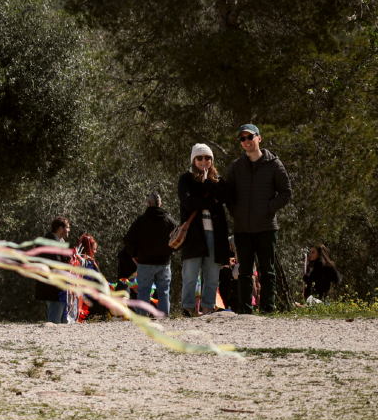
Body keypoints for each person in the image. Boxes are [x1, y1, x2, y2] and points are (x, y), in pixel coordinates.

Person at [223, 124, 292, 314]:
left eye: (249, 137)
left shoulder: (274, 164)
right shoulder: (236, 167)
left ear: (259, 138)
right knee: (244, 271)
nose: (246, 141)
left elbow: (286, 193)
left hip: (266, 227)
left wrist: (266, 209)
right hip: (242, 229)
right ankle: (245, 311)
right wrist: (236, 213)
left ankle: (268, 309)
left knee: (266, 271)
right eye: (242, 139)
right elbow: (229, 194)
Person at [179, 143, 231, 317]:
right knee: (190, 274)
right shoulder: (185, 179)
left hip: (216, 235)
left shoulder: (217, 180)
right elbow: (188, 202)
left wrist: (208, 182)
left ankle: (208, 308)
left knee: (212, 275)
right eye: (200, 157)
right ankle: (188, 309)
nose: (204, 161)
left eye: (207, 157)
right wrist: (211, 203)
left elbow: (226, 196)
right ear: (194, 159)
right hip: (194, 235)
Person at [124, 192, 177, 316]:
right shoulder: (169, 221)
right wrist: (170, 252)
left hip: (145, 262)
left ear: (148, 203)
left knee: (143, 291)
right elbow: (178, 240)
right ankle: (164, 318)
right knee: (164, 292)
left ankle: (143, 318)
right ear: (161, 204)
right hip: (164, 262)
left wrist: (134, 255)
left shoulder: (141, 221)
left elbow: (128, 240)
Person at [34, 216, 72, 323]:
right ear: (60, 228)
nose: (69, 230)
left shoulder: (60, 242)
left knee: (63, 321)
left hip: (60, 289)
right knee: (55, 322)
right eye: (67, 227)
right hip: (53, 290)